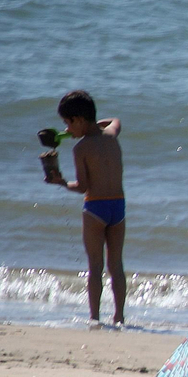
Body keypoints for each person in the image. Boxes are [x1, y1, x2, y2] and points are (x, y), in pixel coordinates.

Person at [44, 91, 126, 326]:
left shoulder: (80, 149)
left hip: (95, 207)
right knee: (116, 266)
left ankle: (95, 318)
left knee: (95, 267)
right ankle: (119, 317)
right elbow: (115, 120)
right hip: (118, 205)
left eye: (68, 123)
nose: (67, 129)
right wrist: (93, 126)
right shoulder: (111, 135)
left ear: (79, 120)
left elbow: (82, 187)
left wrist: (61, 182)